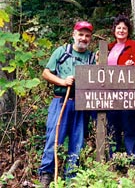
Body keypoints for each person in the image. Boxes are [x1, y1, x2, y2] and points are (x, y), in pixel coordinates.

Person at [39, 21, 95, 187]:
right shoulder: (62, 51)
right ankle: (46, 175)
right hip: (61, 101)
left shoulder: (91, 58)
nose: (83, 38)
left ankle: (71, 178)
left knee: (77, 142)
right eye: (81, 34)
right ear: (74, 35)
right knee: (53, 140)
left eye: (87, 35)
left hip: (81, 104)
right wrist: (63, 82)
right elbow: (46, 73)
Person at [106, 15, 135, 157]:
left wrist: (132, 66)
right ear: (114, 30)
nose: (121, 30)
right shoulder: (109, 47)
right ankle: (114, 159)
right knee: (113, 128)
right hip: (111, 95)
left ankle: (132, 158)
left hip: (130, 94)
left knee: (129, 127)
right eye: (119, 28)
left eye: (124, 28)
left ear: (128, 31)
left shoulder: (134, 46)